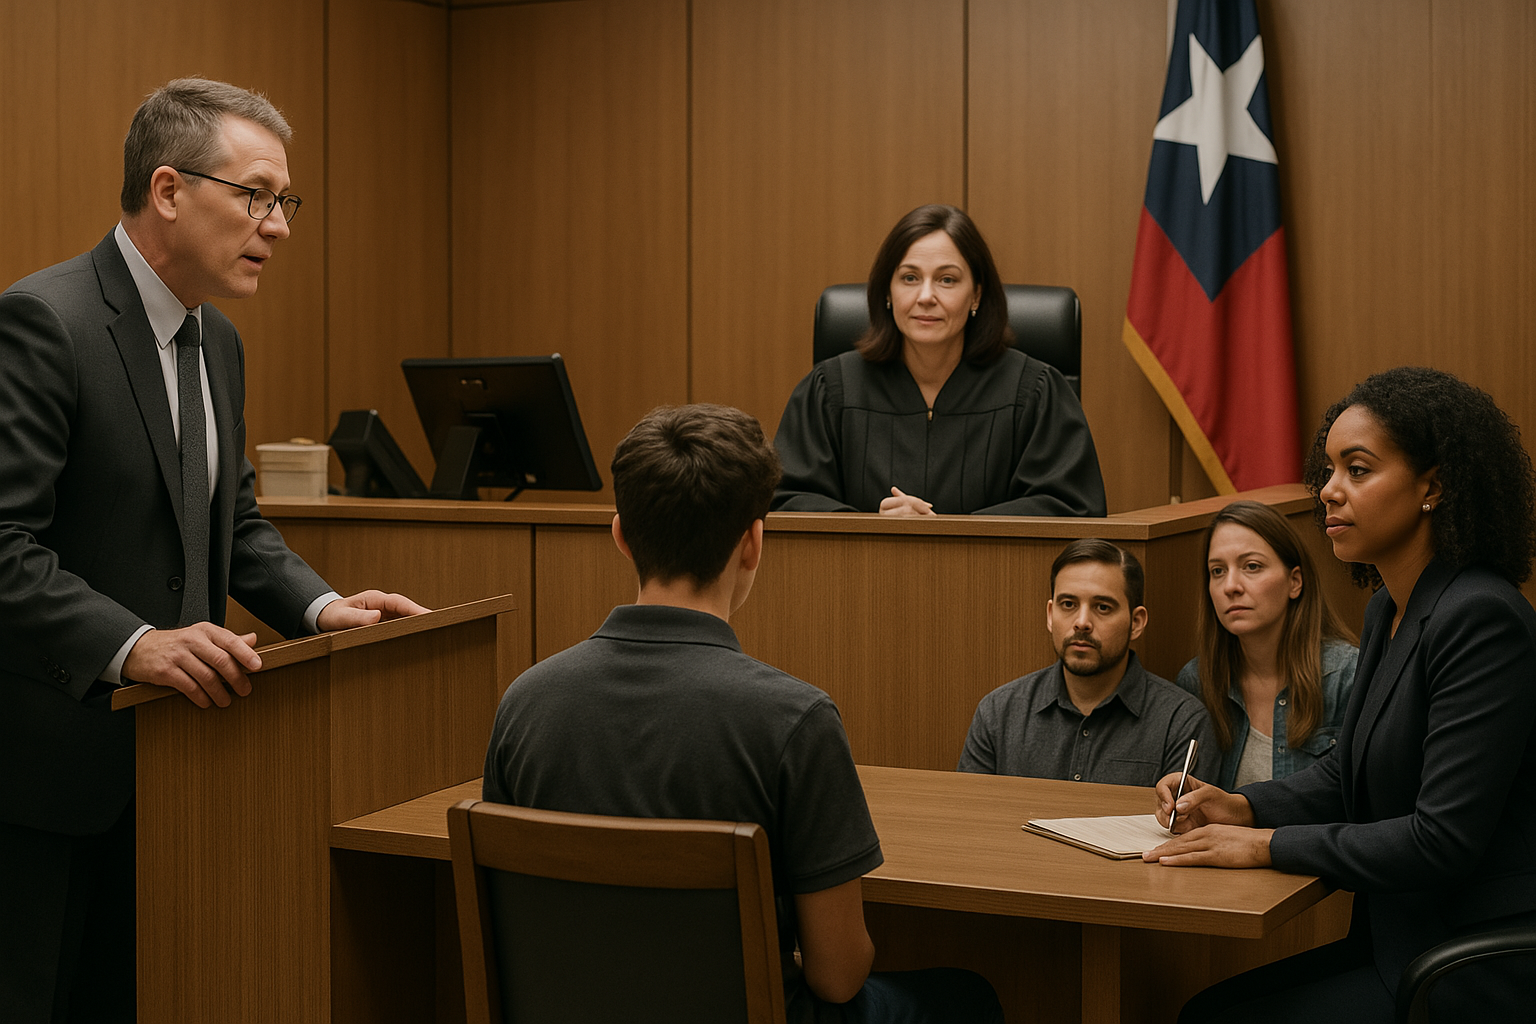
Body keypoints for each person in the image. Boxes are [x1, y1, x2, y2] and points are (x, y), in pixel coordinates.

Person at [0, 78, 426, 1023]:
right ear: (167, 190)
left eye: (284, 201)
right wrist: (134, 644)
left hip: (179, 772)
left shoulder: (218, 341)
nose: (278, 225)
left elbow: (232, 522)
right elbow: (2, 543)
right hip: (46, 781)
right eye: (255, 195)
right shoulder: (45, 321)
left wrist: (323, 608)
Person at [483, 404, 1002, 1024]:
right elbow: (838, 977)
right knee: (969, 997)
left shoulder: (523, 703)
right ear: (753, 542)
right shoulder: (795, 718)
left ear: (620, 535)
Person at [1146, 367, 1536, 1021]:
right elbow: (1348, 773)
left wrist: (1266, 845)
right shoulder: (1389, 609)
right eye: (1328, 470)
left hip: (1473, 963)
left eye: (1357, 470)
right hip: (1402, 940)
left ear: (1433, 487)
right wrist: (1242, 806)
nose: (1328, 490)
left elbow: (1440, 840)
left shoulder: (1481, 618)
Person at [771, 203, 1107, 516]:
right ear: (887, 292)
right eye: (910, 278)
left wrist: (950, 534)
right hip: (858, 564)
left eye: (947, 280)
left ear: (976, 295)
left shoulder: (1034, 392)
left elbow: (1070, 506)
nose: (926, 296)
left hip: (991, 564)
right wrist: (873, 529)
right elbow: (785, 501)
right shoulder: (831, 390)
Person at [958, 539, 1216, 784]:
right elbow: (968, 812)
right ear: (1050, 615)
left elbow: (1183, 817)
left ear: (1136, 623)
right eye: (1068, 604)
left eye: (1102, 607)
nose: (1082, 622)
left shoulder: (1181, 723)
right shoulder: (999, 713)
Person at [1174, 500, 1359, 789]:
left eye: (1252, 566)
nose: (1230, 586)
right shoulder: (1198, 680)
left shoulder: (1347, 675)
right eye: (1217, 571)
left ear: (1294, 582)